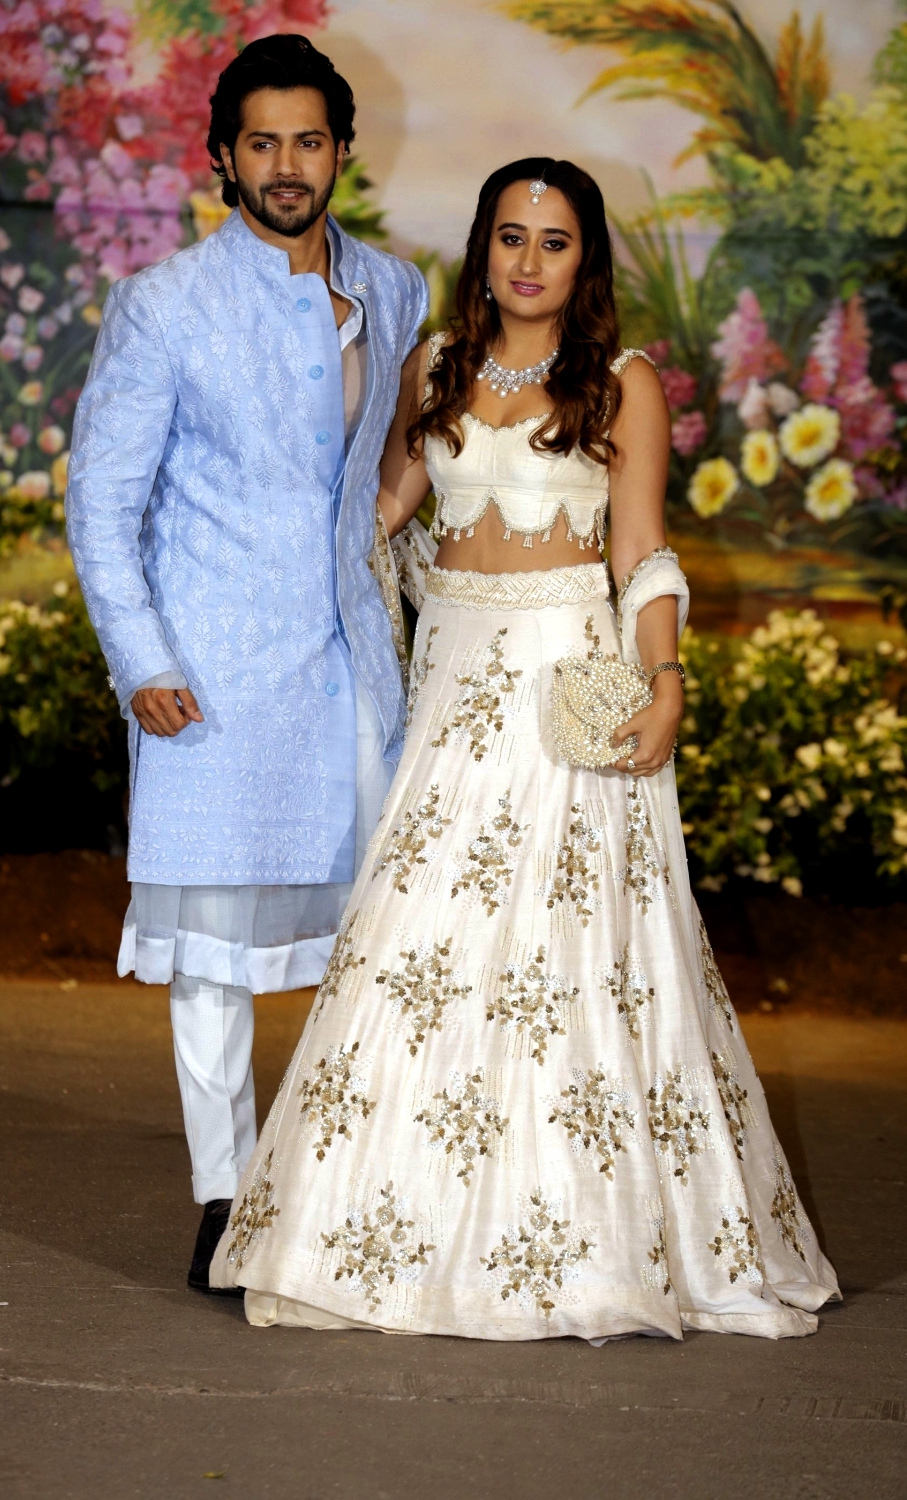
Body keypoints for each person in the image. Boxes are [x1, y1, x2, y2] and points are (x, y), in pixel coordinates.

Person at [209, 158, 840, 1340]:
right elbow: (375, 516)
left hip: (563, 691)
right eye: (510, 236)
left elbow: (641, 552)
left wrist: (664, 679)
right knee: (419, 945)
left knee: (568, 962)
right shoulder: (435, 370)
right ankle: (374, 1241)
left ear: (583, 258)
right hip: (448, 691)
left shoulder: (620, 383)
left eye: (553, 242)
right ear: (483, 248)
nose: (529, 260)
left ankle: (586, 1243)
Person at [66, 35, 427, 1292]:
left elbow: (395, 466)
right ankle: (226, 1202)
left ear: (341, 151)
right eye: (261, 143)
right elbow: (102, 503)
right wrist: (142, 659)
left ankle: (347, 1183)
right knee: (213, 962)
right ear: (222, 154)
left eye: (308, 141)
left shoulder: (396, 291)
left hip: (348, 676)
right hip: (206, 685)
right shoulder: (166, 303)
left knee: (376, 938)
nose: (286, 166)